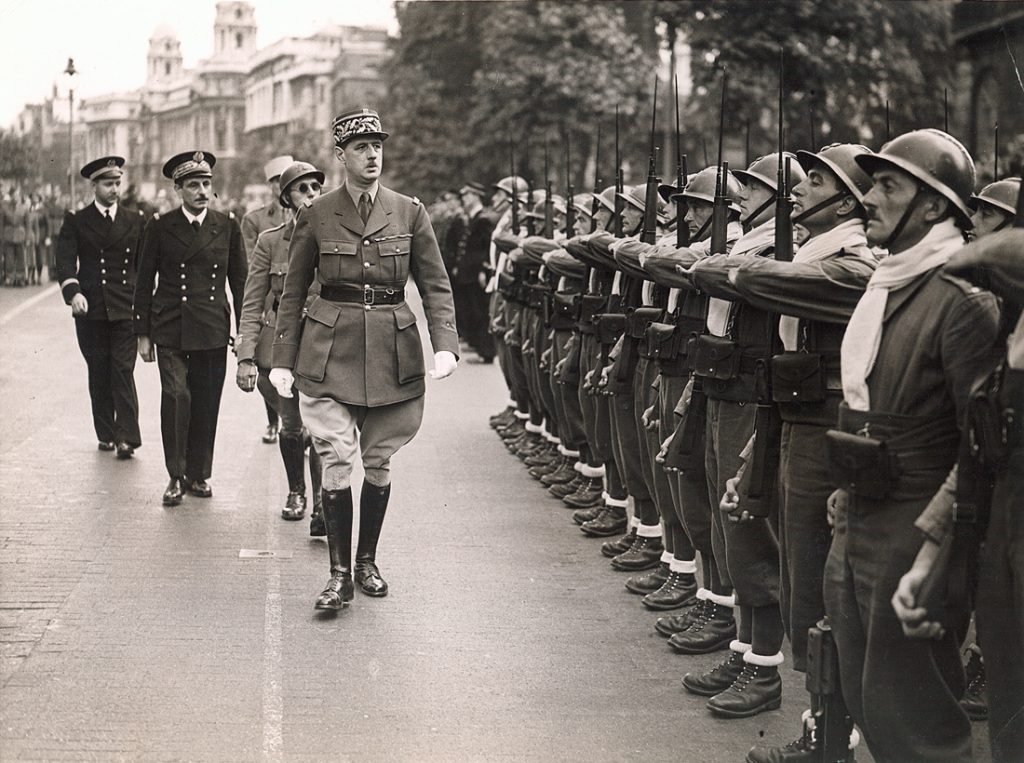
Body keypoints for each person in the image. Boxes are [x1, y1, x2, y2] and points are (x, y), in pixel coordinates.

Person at [823, 129, 998, 761]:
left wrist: (938, 556)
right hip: (864, 514)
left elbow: (981, 450)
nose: (869, 197)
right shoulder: (890, 284)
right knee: (870, 700)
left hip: (917, 525)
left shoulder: (961, 302)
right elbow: (870, 406)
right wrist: (847, 493)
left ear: (932, 206)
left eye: (887, 185)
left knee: (918, 720)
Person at [269, 108, 459, 611]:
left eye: (377, 145)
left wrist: (445, 343)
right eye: (361, 147)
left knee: (378, 458)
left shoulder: (408, 211)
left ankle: (366, 560)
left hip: (392, 350)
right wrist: (282, 358)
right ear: (341, 156)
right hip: (330, 349)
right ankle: (337, 575)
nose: (372, 154)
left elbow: (435, 283)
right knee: (334, 454)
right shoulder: (318, 213)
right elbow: (292, 292)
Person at [133, 150, 247, 507]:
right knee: (178, 397)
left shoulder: (227, 225)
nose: (201, 190)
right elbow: (143, 280)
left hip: (212, 327)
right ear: (178, 189)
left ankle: (199, 474)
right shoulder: (160, 226)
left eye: (206, 183)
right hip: (170, 327)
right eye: (193, 184)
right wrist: (143, 333)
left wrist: (246, 333)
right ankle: (175, 475)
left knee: (206, 402)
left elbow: (241, 283)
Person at [236, 161, 327, 535]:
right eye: (302, 189)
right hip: (282, 349)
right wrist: (245, 355)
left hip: (323, 346)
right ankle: (297, 492)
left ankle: (323, 502)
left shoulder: (336, 238)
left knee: (322, 429)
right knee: (291, 426)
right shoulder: (270, 241)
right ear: (286, 197)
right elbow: (252, 300)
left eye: (315, 189)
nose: (310, 196)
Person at [55, 156, 145, 457]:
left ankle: (127, 436)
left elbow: (143, 266)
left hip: (125, 307)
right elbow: (65, 260)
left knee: (122, 368)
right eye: (108, 184)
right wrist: (73, 293)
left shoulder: (135, 220)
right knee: (99, 369)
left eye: (118, 183)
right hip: (90, 309)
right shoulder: (77, 221)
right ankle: (106, 432)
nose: (115, 189)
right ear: (94, 186)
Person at [241, 155, 294, 445]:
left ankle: (294, 422)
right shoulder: (256, 220)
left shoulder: (309, 211)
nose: (280, 185)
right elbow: (252, 267)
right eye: (276, 181)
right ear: (271, 185)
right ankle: (275, 421)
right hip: (269, 302)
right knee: (269, 364)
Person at [452, 182, 498, 362]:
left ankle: (486, 351)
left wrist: (482, 269)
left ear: (475, 196)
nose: (464, 199)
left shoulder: (482, 219)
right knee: (474, 310)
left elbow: (485, 249)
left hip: (477, 273)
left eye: (467, 196)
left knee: (480, 311)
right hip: (470, 273)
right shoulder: (475, 218)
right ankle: (481, 348)